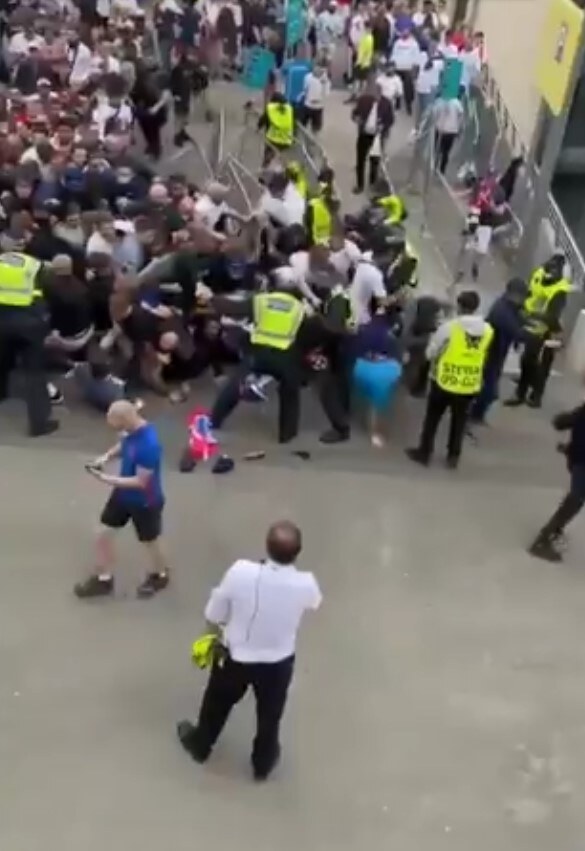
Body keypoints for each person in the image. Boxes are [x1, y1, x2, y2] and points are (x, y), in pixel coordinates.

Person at [177, 520, 322, 780]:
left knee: (216, 704)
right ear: (297, 553)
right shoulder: (306, 584)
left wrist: (210, 631)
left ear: (267, 547)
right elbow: (314, 602)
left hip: (236, 655)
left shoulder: (241, 572)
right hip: (278, 661)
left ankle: (201, 745)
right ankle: (262, 763)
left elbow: (216, 609)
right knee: (270, 714)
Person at [74, 400, 170, 600]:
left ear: (125, 420)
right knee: (103, 532)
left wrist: (105, 479)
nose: (113, 428)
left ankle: (160, 574)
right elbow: (124, 443)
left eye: (115, 424)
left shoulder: (149, 445)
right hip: (122, 495)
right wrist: (106, 457)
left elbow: (141, 482)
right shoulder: (132, 430)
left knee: (150, 541)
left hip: (144, 501)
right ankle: (104, 579)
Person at [406, 290, 493, 469]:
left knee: (433, 418)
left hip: (444, 381)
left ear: (460, 307)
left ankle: (424, 453)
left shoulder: (449, 327)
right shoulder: (487, 330)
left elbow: (431, 352)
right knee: (459, 421)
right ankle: (453, 456)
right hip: (469, 383)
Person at [209, 288, 306, 443]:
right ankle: (287, 434)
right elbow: (305, 335)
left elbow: (234, 309)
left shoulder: (262, 300)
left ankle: (214, 421)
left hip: (258, 354)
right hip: (284, 356)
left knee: (236, 384)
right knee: (290, 392)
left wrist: (212, 298)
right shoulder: (299, 308)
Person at [0, 251, 58, 437]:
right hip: (29, 324)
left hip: (2, 321)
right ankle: (39, 424)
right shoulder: (34, 265)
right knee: (34, 374)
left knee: (2, 361)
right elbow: (48, 292)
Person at [505, 252, 571, 409]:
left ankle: (535, 396)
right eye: (551, 267)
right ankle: (522, 392)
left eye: (556, 270)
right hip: (531, 326)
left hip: (549, 330)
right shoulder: (538, 274)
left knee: (541, 365)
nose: (551, 272)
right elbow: (529, 292)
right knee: (528, 361)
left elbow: (553, 316)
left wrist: (530, 315)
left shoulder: (560, 290)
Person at [468, 278, 530, 425]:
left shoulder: (510, 306)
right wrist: (532, 337)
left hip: (498, 352)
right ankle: (473, 413)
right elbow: (516, 332)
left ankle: (476, 413)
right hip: (490, 353)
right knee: (490, 391)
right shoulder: (501, 310)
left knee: (487, 385)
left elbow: (520, 319)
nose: (523, 300)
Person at [529, 403, 585, 563]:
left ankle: (554, 531)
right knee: (576, 499)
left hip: (577, 458)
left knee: (577, 499)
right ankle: (542, 540)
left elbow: (561, 422)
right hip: (581, 461)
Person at [352, 306, 403, 447]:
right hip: (383, 369)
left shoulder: (365, 328)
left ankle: (367, 418)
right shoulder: (391, 335)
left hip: (362, 366)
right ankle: (376, 433)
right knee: (378, 406)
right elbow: (399, 355)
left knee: (369, 401)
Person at [351, 83, 394, 194]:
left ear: (380, 93)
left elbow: (390, 120)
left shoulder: (386, 103)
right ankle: (359, 185)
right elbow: (354, 114)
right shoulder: (363, 100)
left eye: (375, 94)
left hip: (377, 137)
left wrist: (383, 126)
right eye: (371, 93)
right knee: (360, 160)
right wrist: (356, 119)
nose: (372, 96)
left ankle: (372, 185)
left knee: (374, 162)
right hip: (364, 135)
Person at [258, 92, 295, 165]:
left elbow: (263, 120)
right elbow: (293, 123)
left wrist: (258, 127)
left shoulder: (271, 108)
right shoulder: (289, 109)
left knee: (268, 155)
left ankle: (266, 168)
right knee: (277, 154)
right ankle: (275, 162)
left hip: (273, 138)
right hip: (286, 140)